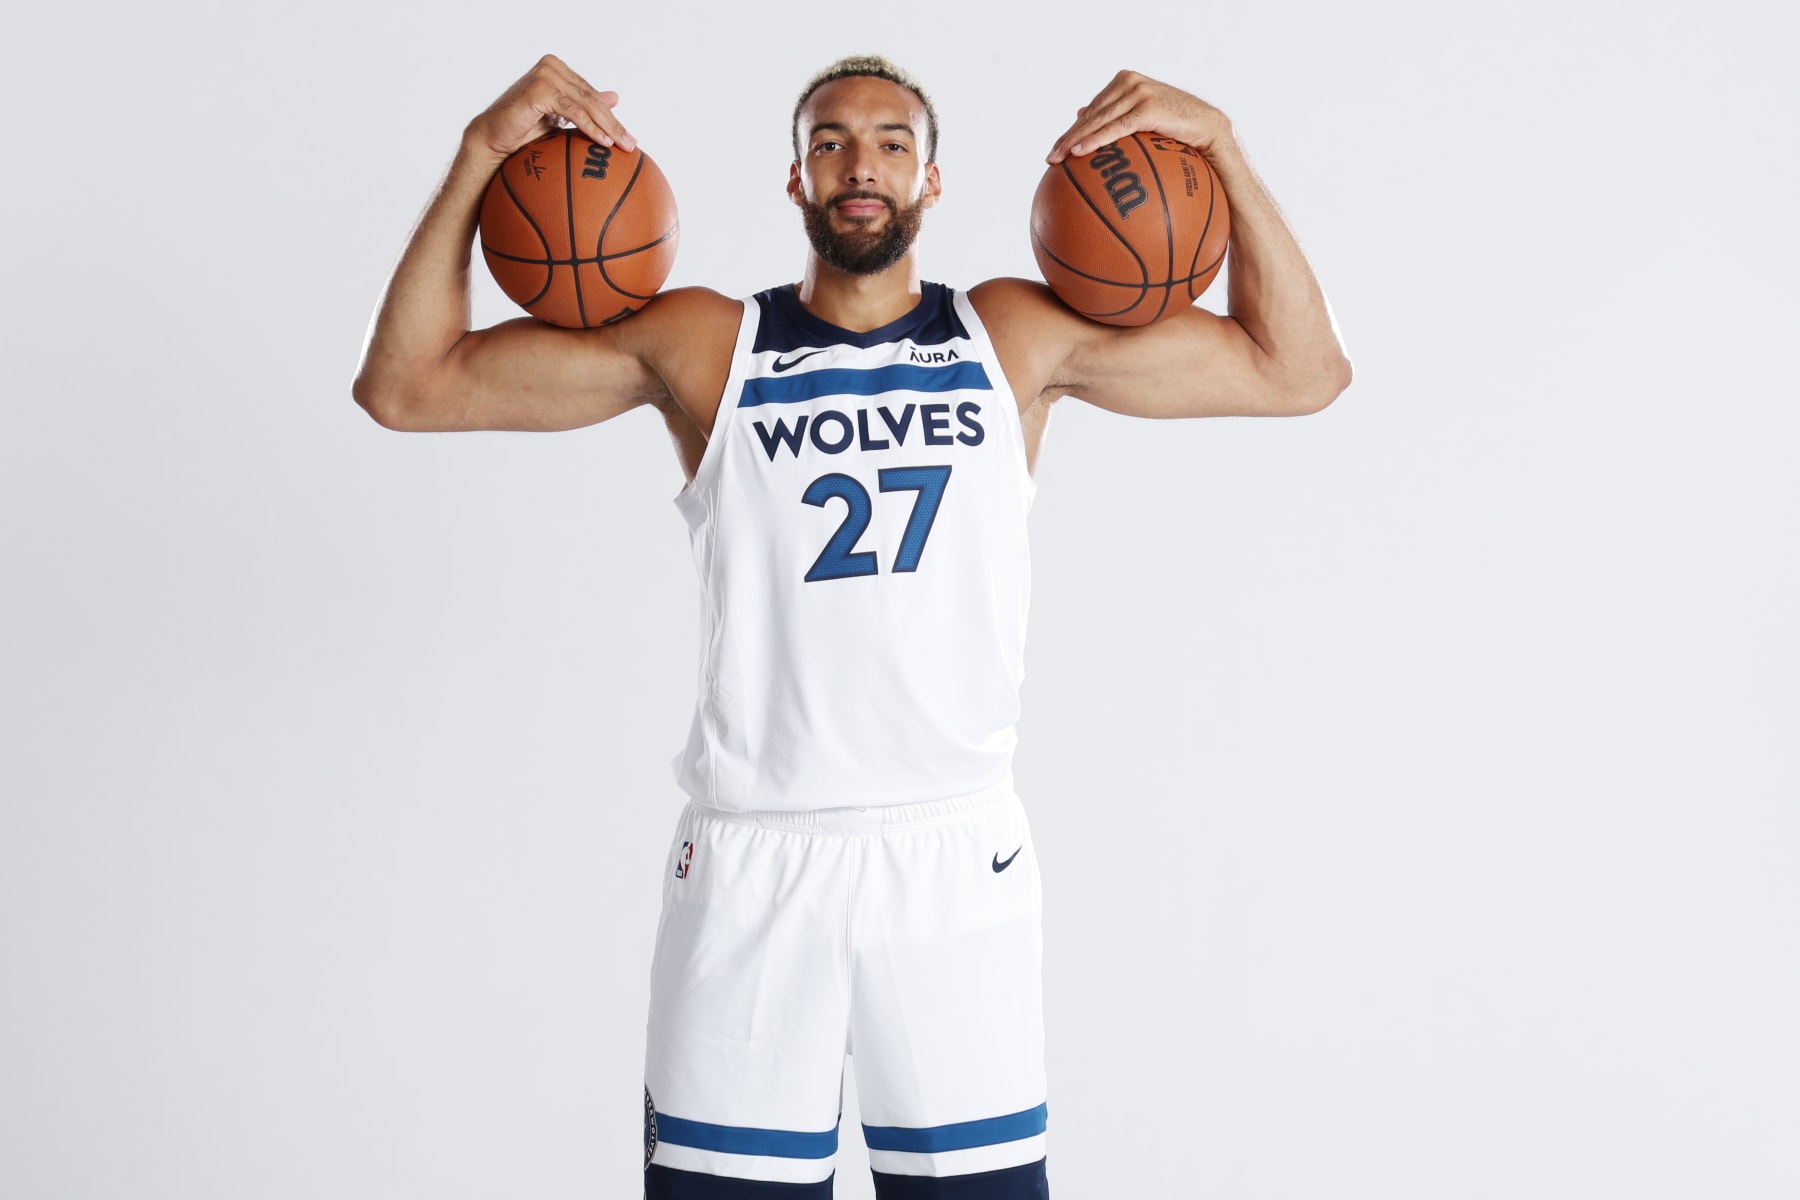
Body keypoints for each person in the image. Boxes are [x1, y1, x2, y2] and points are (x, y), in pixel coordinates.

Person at [353, 52, 1351, 1200]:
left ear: (932, 182)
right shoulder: (708, 346)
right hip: (753, 862)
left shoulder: (1014, 340)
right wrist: (483, 154)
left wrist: (1219, 140)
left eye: (890, 142)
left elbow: (1300, 369)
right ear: (794, 180)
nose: (859, 164)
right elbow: (408, 385)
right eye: (830, 141)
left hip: (952, 858)